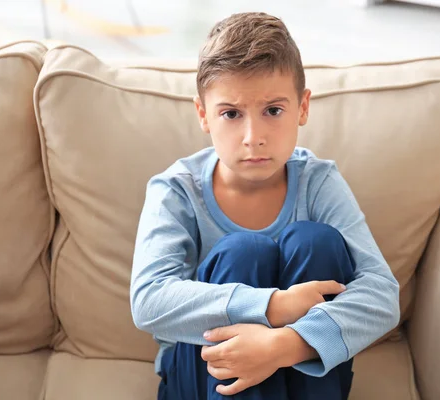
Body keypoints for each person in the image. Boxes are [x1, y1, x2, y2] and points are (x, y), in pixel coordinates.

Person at [130, 11, 400, 400]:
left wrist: (285, 344)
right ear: (203, 114)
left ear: (302, 108)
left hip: (302, 373)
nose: (253, 137)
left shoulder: (318, 182)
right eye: (231, 114)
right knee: (244, 251)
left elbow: (380, 295)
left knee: (315, 242)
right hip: (203, 376)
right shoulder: (177, 190)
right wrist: (274, 306)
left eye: (273, 111)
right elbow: (149, 301)